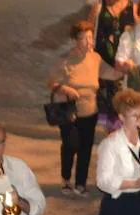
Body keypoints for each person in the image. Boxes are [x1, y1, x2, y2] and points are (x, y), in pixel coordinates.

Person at [48, 21, 104, 196]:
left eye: (90, 37)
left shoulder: (96, 58)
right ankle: (66, 179)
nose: (88, 41)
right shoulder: (65, 61)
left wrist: (127, 68)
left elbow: (109, 72)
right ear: (75, 40)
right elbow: (51, 82)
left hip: (90, 111)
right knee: (70, 145)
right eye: (84, 38)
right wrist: (65, 89)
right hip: (69, 113)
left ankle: (80, 183)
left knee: (86, 148)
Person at [94, 0, 136, 134]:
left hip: (122, 65)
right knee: (106, 103)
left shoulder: (131, 8)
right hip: (102, 63)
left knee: (121, 103)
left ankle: (117, 138)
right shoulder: (99, 7)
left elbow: (137, 35)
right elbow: (89, 31)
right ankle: (111, 137)